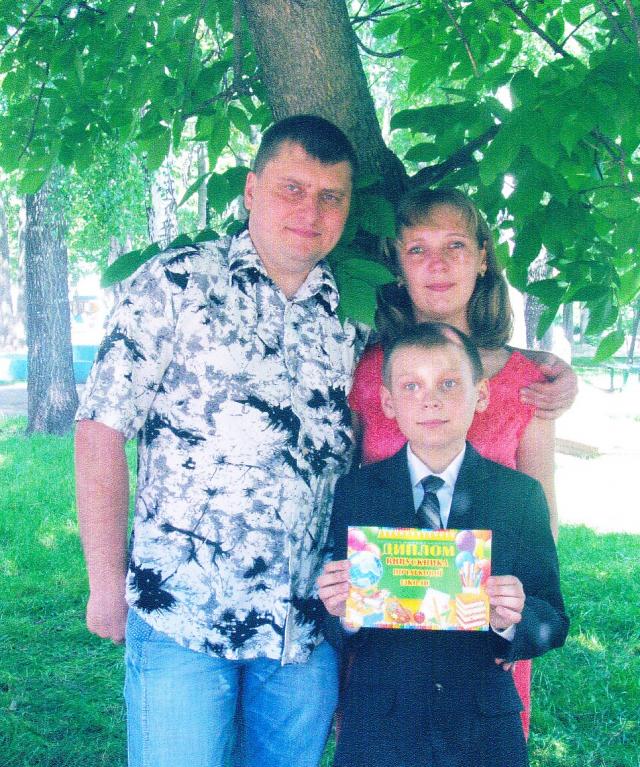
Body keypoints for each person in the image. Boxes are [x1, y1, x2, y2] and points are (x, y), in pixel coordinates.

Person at [74, 115, 369, 767]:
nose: (311, 211)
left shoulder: (353, 317)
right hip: (181, 613)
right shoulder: (175, 283)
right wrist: (105, 581)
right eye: (292, 189)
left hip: (301, 630)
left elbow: (438, 372)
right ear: (251, 190)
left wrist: (540, 374)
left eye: (330, 196)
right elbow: (100, 430)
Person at [348, 187, 574, 734]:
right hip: (386, 643)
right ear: (398, 265)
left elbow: (542, 518)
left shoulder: (527, 381)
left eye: (454, 245)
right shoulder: (369, 371)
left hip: (486, 636)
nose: (438, 264)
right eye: (418, 249)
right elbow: (350, 495)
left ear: (482, 258)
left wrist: (519, 617)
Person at [318, 322, 569, 767]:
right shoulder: (357, 493)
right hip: (380, 729)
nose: (430, 400)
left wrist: (512, 620)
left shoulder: (519, 496)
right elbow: (335, 627)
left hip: (483, 730)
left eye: (448, 384)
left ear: (482, 395)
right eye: (411, 386)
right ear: (388, 402)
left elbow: (552, 619)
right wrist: (342, 612)